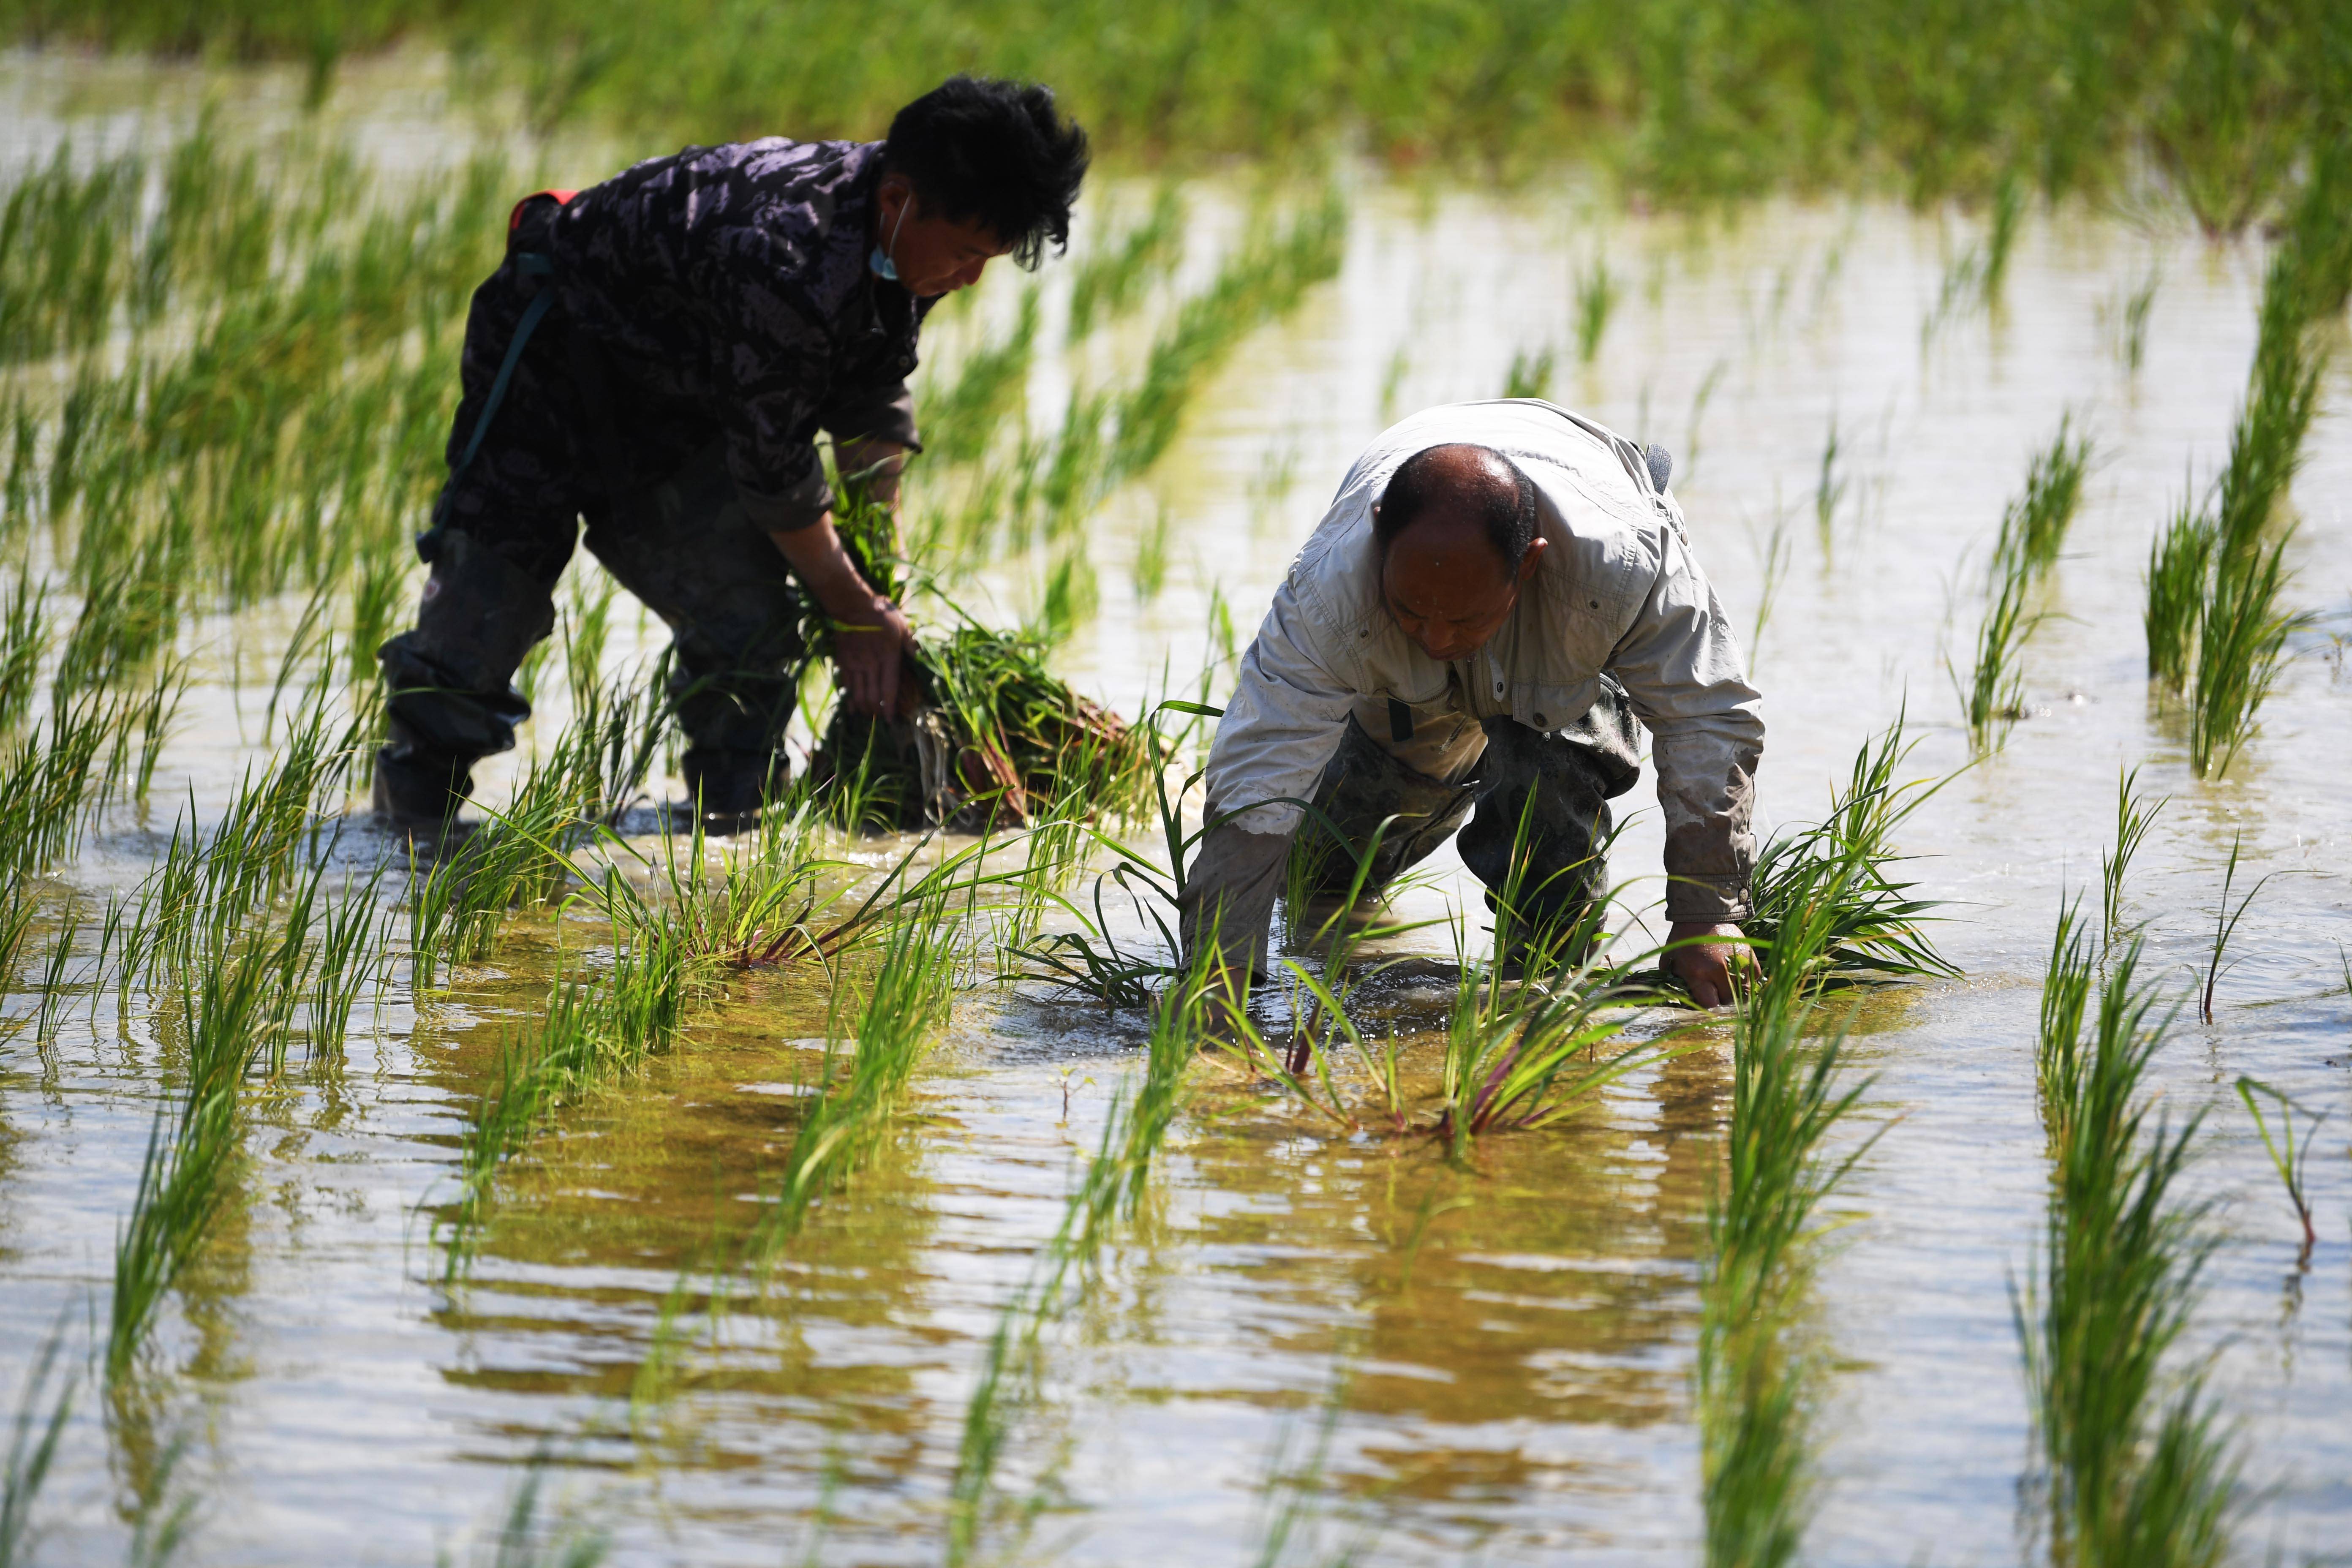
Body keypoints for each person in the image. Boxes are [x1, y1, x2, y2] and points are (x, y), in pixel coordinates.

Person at [373, 75, 1089, 833]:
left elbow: (870, 397)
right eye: (969, 255)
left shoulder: (918, 233)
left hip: (686, 391)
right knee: (491, 601)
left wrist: (883, 582)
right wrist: (852, 610)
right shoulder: (787, 250)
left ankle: (730, 831)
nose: (972, 279)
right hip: (552, 354)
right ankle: (409, 832)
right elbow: (773, 469)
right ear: (898, 199)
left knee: (748, 615)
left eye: (992, 259)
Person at [1178, 399, 1764, 1007]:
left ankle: (1545, 999)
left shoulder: (1619, 567)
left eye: (1461, 619)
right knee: (1326, 874)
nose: (1434, 640)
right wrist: (1220, 966)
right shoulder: (1329, 592)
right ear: (1380, 535)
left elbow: (1705, 717)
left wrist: (1710, 913)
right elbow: (1263, 762)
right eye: (1412, 610)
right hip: (1397, 684)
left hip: (1562, 653)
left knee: (1549, 806)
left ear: (1528, 563)